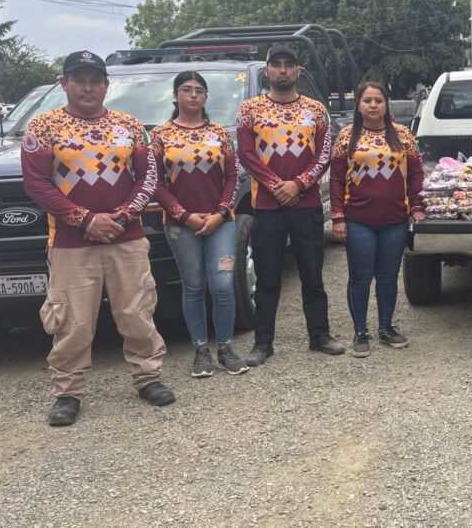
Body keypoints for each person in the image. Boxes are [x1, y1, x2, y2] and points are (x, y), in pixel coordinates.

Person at [21, 50, 175, 426]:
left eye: (95, 81)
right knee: (72, 320)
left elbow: (147, 177)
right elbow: (36, 183)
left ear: (106, 86)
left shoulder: (130, 125)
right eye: (79, 80)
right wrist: (84, 219)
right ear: (64, 84)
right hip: (72, 242)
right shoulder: (42, 127)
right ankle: (68, 392)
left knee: (136, 311)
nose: (88, 88)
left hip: (127, 237)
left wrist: (121, 216)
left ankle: (148, 377)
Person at [236, 45, 342, 365]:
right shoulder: (249, 109)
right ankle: (263, 343)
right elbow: (246, 154)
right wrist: (274, 185)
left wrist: (299, 183)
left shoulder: (315, 110)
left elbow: (325, 152)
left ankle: (319, 335)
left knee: (312, 272)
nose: (282, 70)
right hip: (267, 206)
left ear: (297, 71)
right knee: (268, 276)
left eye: (289, 65)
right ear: (267, 70)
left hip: (306, 202)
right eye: (276, 65)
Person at [151, 71, 248, 378]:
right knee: (193, 286)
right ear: (175, 95)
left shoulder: (219, 133)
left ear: (206, 97)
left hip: (221, 221)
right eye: (186, 89)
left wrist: (221, 212)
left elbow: (233, 176)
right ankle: (200, 350)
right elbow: (156, 182)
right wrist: (184, 215)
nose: (193, 95)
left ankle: (226, 348)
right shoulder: (160, 135)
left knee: (222, 285)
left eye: (198, 90)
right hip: (181, 225)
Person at [329, 82, 425, 357]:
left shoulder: (403, 135)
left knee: (387, 278)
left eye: (378, 100)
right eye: (367, 100)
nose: (373, 105)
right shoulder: (347, 136)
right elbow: (336, 179)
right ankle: (360, 332)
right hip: (358, 220)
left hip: (395, 220)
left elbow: (417, 174)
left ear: (386, 104)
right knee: (360, 278)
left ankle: (386, 327)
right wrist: (338, 217)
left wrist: (417, 206)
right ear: (358, 105)